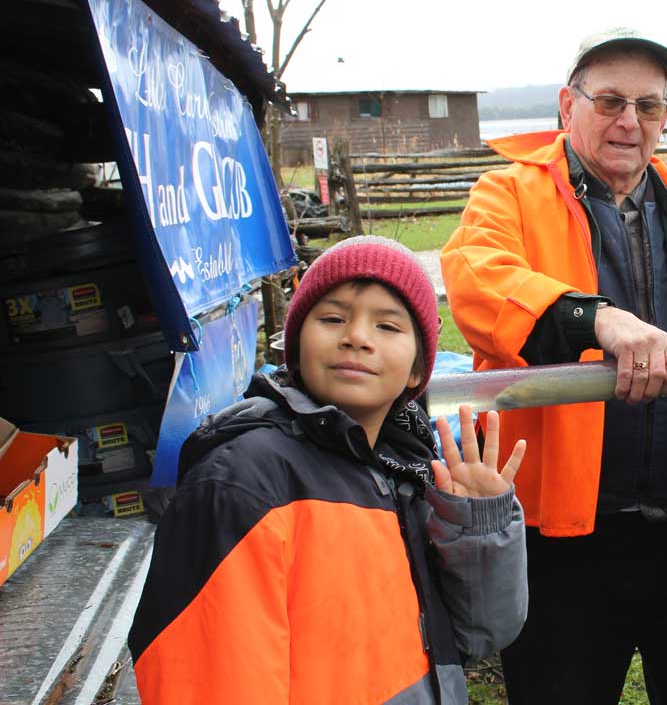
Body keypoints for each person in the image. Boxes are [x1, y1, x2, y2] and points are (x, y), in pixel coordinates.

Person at [440, 29, 667, 703]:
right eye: (611, 101)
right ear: (569, 105)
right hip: (558, 536)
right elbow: (478, 282)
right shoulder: (507, 195)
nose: (629, 122)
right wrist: (596, 320)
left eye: (648, 106)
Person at [129, 236, 528, 704]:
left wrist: (477, 529)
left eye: (387, 326)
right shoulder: (243, 486)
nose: (357, 336)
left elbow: (478, 634)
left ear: (418, 371)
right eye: (333, 319)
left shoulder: (405, 473)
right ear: (296, 349)